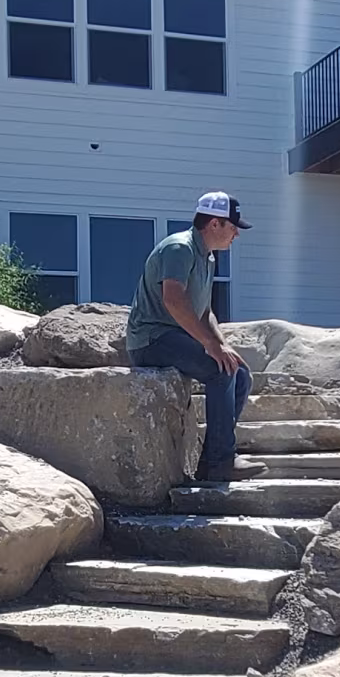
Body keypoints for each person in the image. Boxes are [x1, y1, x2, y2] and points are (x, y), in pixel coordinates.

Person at [126, 192, 250, 482]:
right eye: (233, 227)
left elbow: (205, 310)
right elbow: (173, 300)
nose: (236, 235)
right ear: (215, 224)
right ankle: (221, 464)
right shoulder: (179, 248)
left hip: (175, 337)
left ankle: (211, 462)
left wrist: (221, 344)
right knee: (220, 372)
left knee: (240, 373)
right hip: (151, 339)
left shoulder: (207, 257)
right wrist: (209, 345)